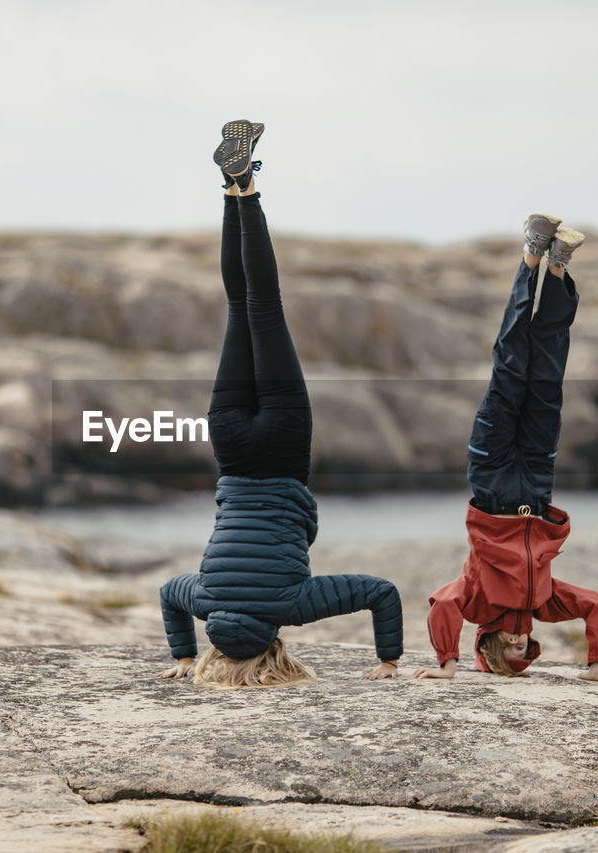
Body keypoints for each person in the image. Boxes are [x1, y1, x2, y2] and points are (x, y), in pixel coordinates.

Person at [158, 120, 404, 688]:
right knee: (239, 306)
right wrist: (181, 654)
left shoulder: (291, 605)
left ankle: (244, 184)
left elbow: (381, 594)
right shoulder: (206, 599)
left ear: (274, 646)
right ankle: (230, 185)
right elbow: (168, 594)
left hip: (284, 448)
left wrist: (389, 660)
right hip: (232, 450)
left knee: (263, 308)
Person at [414, 215, 598, 681]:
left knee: (510, 365)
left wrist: (447, 662)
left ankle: (531, 255)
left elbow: (443, 605)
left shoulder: (476, 600)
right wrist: (597, 664)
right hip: (537, 485)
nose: (517, 644)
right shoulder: (544, 603)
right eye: (524, 653)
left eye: (506, 651)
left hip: (492, 479)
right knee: (546, 375)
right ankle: (559, 267)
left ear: (485, 644)